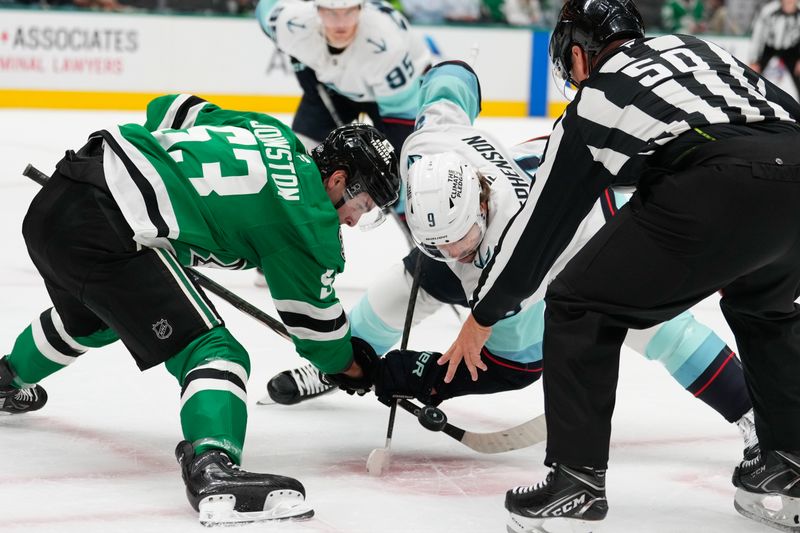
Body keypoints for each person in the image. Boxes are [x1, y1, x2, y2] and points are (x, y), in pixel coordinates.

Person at [265, 60, 758, 466]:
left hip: (589, 237)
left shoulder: (513, 258)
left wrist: (430, 378)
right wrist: (451, 73)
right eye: (436, 240)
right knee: (415, 280)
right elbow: (452, 80)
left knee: (659, 328)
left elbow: (516, 365)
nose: (452, 253)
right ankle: (343, 359)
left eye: (458, 244)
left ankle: (755, 415)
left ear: (481, 209)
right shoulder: (430, 150)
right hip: (528, 203)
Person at [436, 1, 800, 531]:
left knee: (578, 304)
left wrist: (483, 316)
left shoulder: (597, 99)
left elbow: (539, 233)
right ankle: (789, 464)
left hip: (716, 181)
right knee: (765, 307)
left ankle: (575, 480)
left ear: (580, 57)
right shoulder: (700, 50)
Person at [0, 94, 398, 525]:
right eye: (363, 205)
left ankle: (6, 378)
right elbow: (318, 336)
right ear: (338, 180)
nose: (356, 220)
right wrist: (355, 367)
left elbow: (170, 108)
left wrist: (166, 180)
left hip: (64, 193)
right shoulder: (308, 220)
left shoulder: (272, 132)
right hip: (109, 226)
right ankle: (213, 468)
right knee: (214, 349)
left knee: (96, 319)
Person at [255, 0, 432, 154]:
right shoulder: (293, 24)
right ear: (317, 10)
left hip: (404, 93)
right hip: (336, 88)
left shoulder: (385, 45)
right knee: (302, 155)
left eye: (349, 12)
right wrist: (301, 59)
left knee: (399, 166)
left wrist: (395, 166)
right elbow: (266, 8)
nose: (341, 24)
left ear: (361, 8)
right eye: (331, 13)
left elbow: (401, 116)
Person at [749, 0, 800, 99]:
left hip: (792, 49)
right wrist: (754, 60)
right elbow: (757, 36)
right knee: (752, 75)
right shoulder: (768, 10)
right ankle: (750, 100)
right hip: (769, 47)